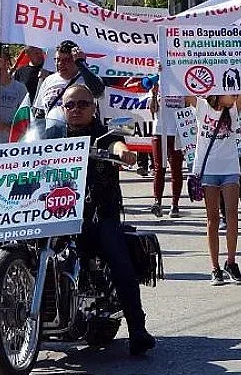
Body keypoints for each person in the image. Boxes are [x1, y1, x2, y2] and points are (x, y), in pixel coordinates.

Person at [42, 84, 156, 355]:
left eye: (82, 104)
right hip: (54, 215)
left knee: (118, 258)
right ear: (62, 109)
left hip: (96, 215)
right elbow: (29, 154)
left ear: (94, 108)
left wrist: (121, 152)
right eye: (70, 105)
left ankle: (137, 328)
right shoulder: (52, 137)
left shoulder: (103, 133)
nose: (76, 109)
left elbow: (116, 142)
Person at [191, 93, 241, 286]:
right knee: (212, 219)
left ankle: (231, 262)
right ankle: (215, 268)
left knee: (232, 215)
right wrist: (164, 68)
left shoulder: (233, 109)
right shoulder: (202, 107)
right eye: (230, 92)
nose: (234, 94)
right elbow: (182, 87)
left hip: (230, 168)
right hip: (208, 170)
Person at [33, 40, 105, 116]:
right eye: (57, 60)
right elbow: (40, 111)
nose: (60, 64)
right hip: (53, 126)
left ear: (75, 60)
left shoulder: (87, 79)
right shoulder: (49, 80)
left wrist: (81, 63)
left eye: (66, 60)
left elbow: (98, 91)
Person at [148, 80, 185, 218]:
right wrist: (153, 95)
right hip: (159, 131)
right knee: (159, 168)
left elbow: (189, 107)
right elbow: (153, 110)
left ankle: (175, 204)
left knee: (176, 170)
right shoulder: (158, 82)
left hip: (176, 132)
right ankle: (157, 202)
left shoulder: (182, 84)